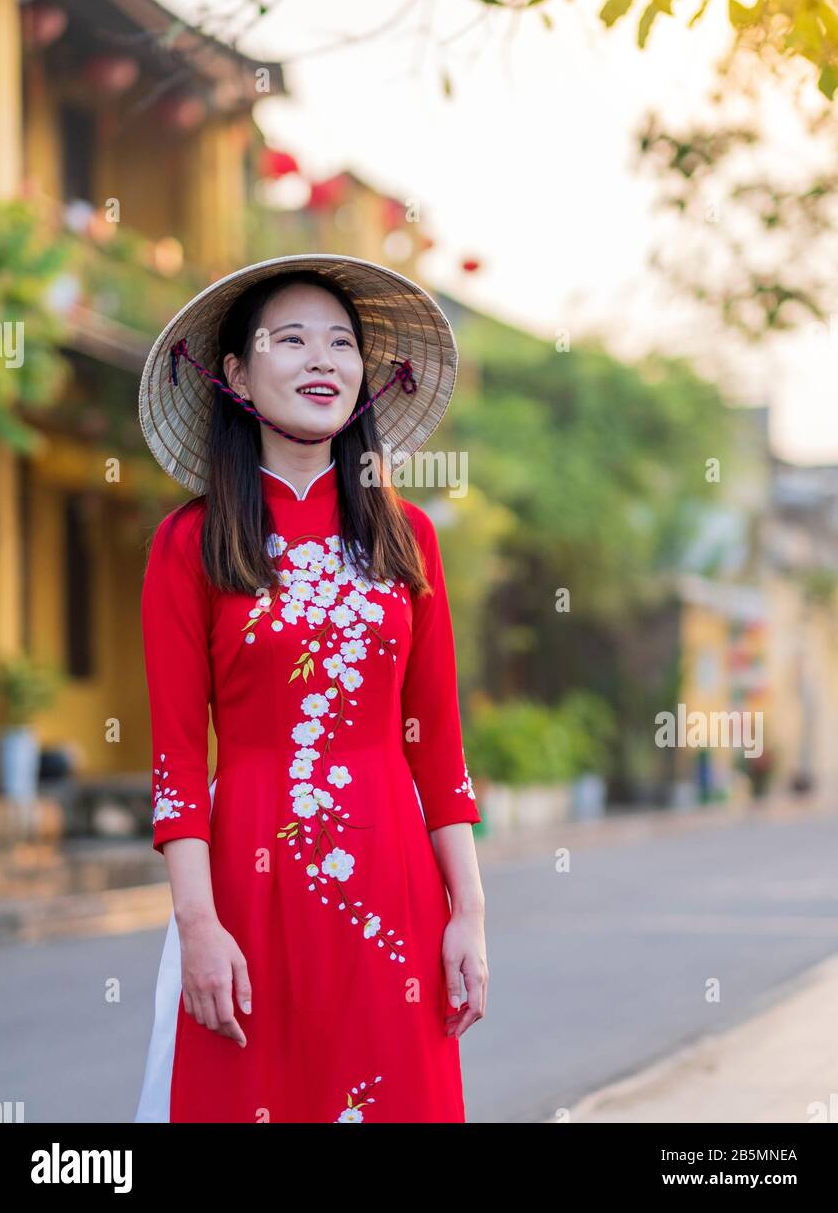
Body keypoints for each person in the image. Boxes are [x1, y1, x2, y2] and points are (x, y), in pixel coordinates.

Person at [133, 254, 488, 1123]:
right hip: (247, 890)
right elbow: (178, 761)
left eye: (340, 343)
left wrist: (469, 913)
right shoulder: (191, 544)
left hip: (395, 883)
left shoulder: (408, 540)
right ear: (236, 374)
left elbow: (437, 748)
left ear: (366, 377)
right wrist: (198, 927)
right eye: (289, 340)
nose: (320, 360)